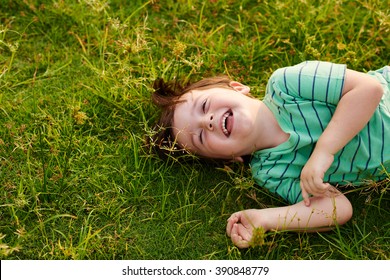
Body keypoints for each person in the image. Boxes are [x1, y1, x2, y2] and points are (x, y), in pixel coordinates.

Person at [149, 60, 390, 248]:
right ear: (229, 159)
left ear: (236, 87)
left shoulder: (287, 84)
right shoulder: (269, 171)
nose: (208, 121)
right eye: (200, 137)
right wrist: (266, 219)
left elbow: (369, 89)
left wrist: (324, 152)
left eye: (203, 106)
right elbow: (338, 208)